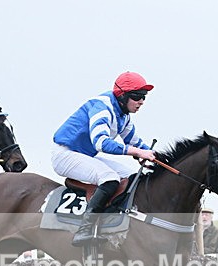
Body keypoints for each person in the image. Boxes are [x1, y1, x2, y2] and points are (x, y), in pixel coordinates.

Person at [52, 72, 156, 247]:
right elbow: (101, 143)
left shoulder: (124, 115)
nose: (142, 102)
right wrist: (137, 153)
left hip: (85, 154)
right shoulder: (102, 107)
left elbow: (134, 142)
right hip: (65, 154)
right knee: (109, 178)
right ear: (122, 96)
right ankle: (84, 229)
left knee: (132, 176)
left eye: (144, 97)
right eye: (137, 97)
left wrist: (155, 157)